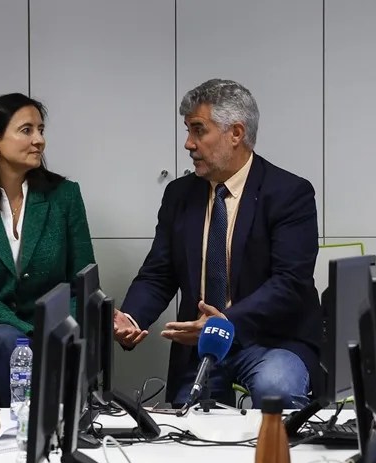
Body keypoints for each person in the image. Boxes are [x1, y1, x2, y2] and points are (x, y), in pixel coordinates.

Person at [114, 79, 322, 409]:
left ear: (235, 133)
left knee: (276, 388)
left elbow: (290, 283)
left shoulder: (288, 193)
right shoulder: (179, 195)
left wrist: (224, 322)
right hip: (203, 348)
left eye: (198, 131)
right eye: (188, 131)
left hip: (271, 341)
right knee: (186, 421)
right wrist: (132, 318)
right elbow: (159, 272)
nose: (188, 144)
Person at [0, 93, 95, 406]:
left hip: (50, 338)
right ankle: (16, 428)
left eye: (41, 130)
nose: (39, 140)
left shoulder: (65, 197)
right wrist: (33, 335)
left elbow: (83, 284)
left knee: (34, 354)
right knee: (11, 344)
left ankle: (14, 424)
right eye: (26, 130)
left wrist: (63, 333)